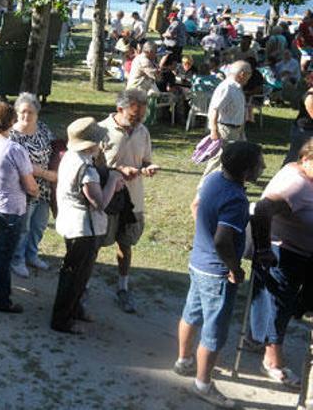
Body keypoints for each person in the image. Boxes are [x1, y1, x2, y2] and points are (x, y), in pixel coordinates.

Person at [175, 141, 264, 409]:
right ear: (247, 172)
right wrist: (235, 269)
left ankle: (184, 360)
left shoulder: (215, 178)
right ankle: (202, 384)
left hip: (198, 261)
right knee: (214, 330)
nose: (263, 167)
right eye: (260, 164)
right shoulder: (236, 199)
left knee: (191, 313)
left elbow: (197, 206)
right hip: (217, 272)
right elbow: (223, 240)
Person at [246, 140, 313, 389]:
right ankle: (272, 361)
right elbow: (262, 209)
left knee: (277, 302)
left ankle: (257, 338)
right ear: (306, 158)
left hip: (298, 252)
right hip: (283, 251)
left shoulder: (304, 172)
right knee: (278, 305)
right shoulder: (296, 183)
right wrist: (263, 248)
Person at [51, 117, 124, 334]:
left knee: (76, 273)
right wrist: (113, 181)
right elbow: (99, 202)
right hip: (83, 228)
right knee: (75, 274)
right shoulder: (86, 168)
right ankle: (62, 319)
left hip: (72, 224)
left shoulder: (70, 158)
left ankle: (73, 310)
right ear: (92, 143)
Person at [98, 89, 160, 314]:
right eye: (134, 117)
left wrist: (147, 168)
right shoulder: (102, 130)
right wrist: (118, 170)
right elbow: (93, 167)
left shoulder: (143, 132)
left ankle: (123, 288)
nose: (138, 122)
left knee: (126, 243)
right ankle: (83, 286)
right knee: (96, 242)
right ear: (120, 109)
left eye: (142, 117)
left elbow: (144, 160)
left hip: (133, 199)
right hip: (106, 198)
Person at [0, 101, 38, 313]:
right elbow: (29, 183)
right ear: (12, 121)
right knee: (4, 255)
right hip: (10, 208)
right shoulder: (15, 149)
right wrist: (35, 191)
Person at [9, 93, 57, 277]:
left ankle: (32, 254)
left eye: (30, 112)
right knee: (23, 227)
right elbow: (20, 164)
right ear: (16, 112)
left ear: (37, 113)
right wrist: (47, 174)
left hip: (45, 187)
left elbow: (53, 150)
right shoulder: (12, 135)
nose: (26, 116)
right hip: (24, 188)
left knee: (39, 224)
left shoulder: (43, 129)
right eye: (22, 112)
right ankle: (17, 259)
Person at [199, 61, 252, 183]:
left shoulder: (237, 88)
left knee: (236, 159)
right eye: (249, 74)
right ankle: (204, 186)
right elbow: (214, 109)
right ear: (242, 74)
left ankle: (229, 183)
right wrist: (214, 130)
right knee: (218, 160)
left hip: (236, 129)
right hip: (225, 129)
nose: (249, 78)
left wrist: (241, 131)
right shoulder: (227, 87)